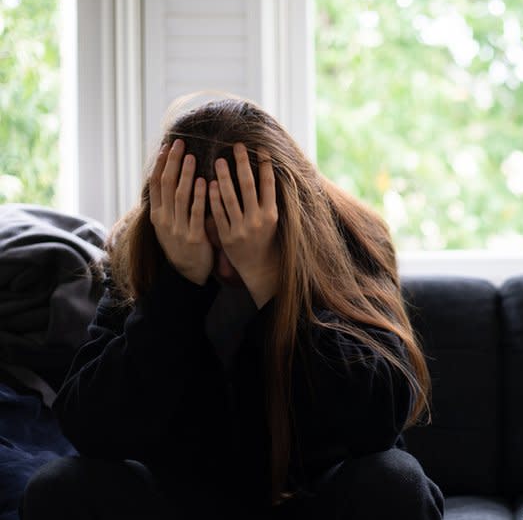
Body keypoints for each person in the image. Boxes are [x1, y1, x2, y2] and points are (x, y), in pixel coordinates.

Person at [19, 98, 444, 520]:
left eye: (239, 238)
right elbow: (91, 430)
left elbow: (376, 425)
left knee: (396, 480)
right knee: (57, 488)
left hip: (312, 496)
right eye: (208, 241)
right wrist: (179, 285)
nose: (224, 266)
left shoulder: (352, 235)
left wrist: (269, 282)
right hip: (186, 498)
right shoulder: (144, 247)